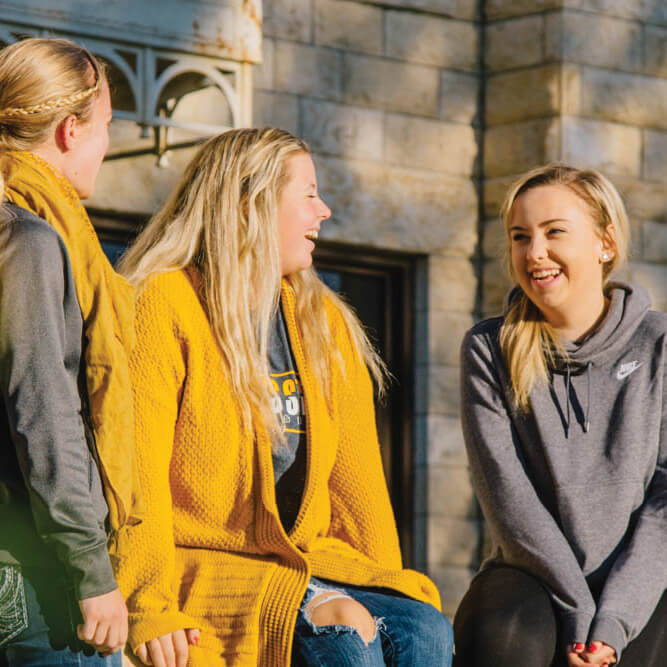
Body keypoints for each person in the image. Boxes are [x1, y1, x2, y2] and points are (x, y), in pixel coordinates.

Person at [115, 127, 453, 667]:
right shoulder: (164, 302)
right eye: (309, 194)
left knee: (423, 626)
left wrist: (389, 582)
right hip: (201, 563)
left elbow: (358, 489)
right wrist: (146, 605)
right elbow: (138, 482)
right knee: (345, 631)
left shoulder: (325, 323)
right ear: (251, 203)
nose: (325, 210)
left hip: (305, 561)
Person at [454, 164, 666, 667]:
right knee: (501, 632)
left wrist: (610, 626)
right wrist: (580, 614)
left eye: (554, 233)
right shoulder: (490, 348)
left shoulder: (658, 344)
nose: (535, 254)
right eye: (520, 237)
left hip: (641, 577)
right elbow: (508, 499)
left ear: (605, 243)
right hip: (532, 573)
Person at [0, 38, 143, 665]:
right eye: (106, 126)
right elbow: (46, 408)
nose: (107, 145)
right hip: (32, 571)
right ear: (67, 130)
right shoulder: (27, 240)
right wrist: (92, 570)